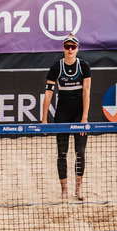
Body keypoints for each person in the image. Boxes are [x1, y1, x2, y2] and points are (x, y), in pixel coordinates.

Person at [42, 34, 91, 201]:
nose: (70, 49)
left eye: (73, 47)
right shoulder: (56, 67)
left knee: (80, 152)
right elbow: (48, 94)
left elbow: (86, 92)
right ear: (63, 48)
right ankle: (64, 190)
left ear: (77, 48)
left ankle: (78, 189)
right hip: (62, 114)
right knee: (62, 153)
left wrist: (84, 118)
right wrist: (44, 120)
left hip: (79, 115)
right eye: (67, 46)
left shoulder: (84, 66)